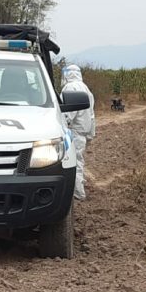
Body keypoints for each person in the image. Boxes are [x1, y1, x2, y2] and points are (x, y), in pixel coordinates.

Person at [61, 64, 96, 201]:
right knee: (79, 161)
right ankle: (78, 191)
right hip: (83, 133)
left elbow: (67, 115)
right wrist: (91, 134)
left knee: (73, 163)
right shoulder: (86, 89)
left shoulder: (70, 88)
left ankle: (78, 193)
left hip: (73, 132)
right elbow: (92, 115)